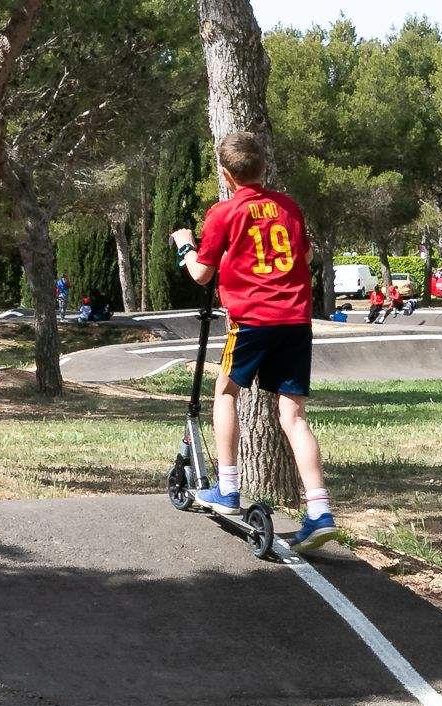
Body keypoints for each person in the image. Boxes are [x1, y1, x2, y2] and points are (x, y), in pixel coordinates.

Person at [171, 131, 340, 553]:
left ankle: (226, 488)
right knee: (294, 415)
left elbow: (201, 274)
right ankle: (319, 511)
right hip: (296, 321)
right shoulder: (289, 208)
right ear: (264, 168)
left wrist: (185, 245)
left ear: (226, 175)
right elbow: (300, 259)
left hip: (251, 322)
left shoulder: (224, 213)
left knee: (225, 392)